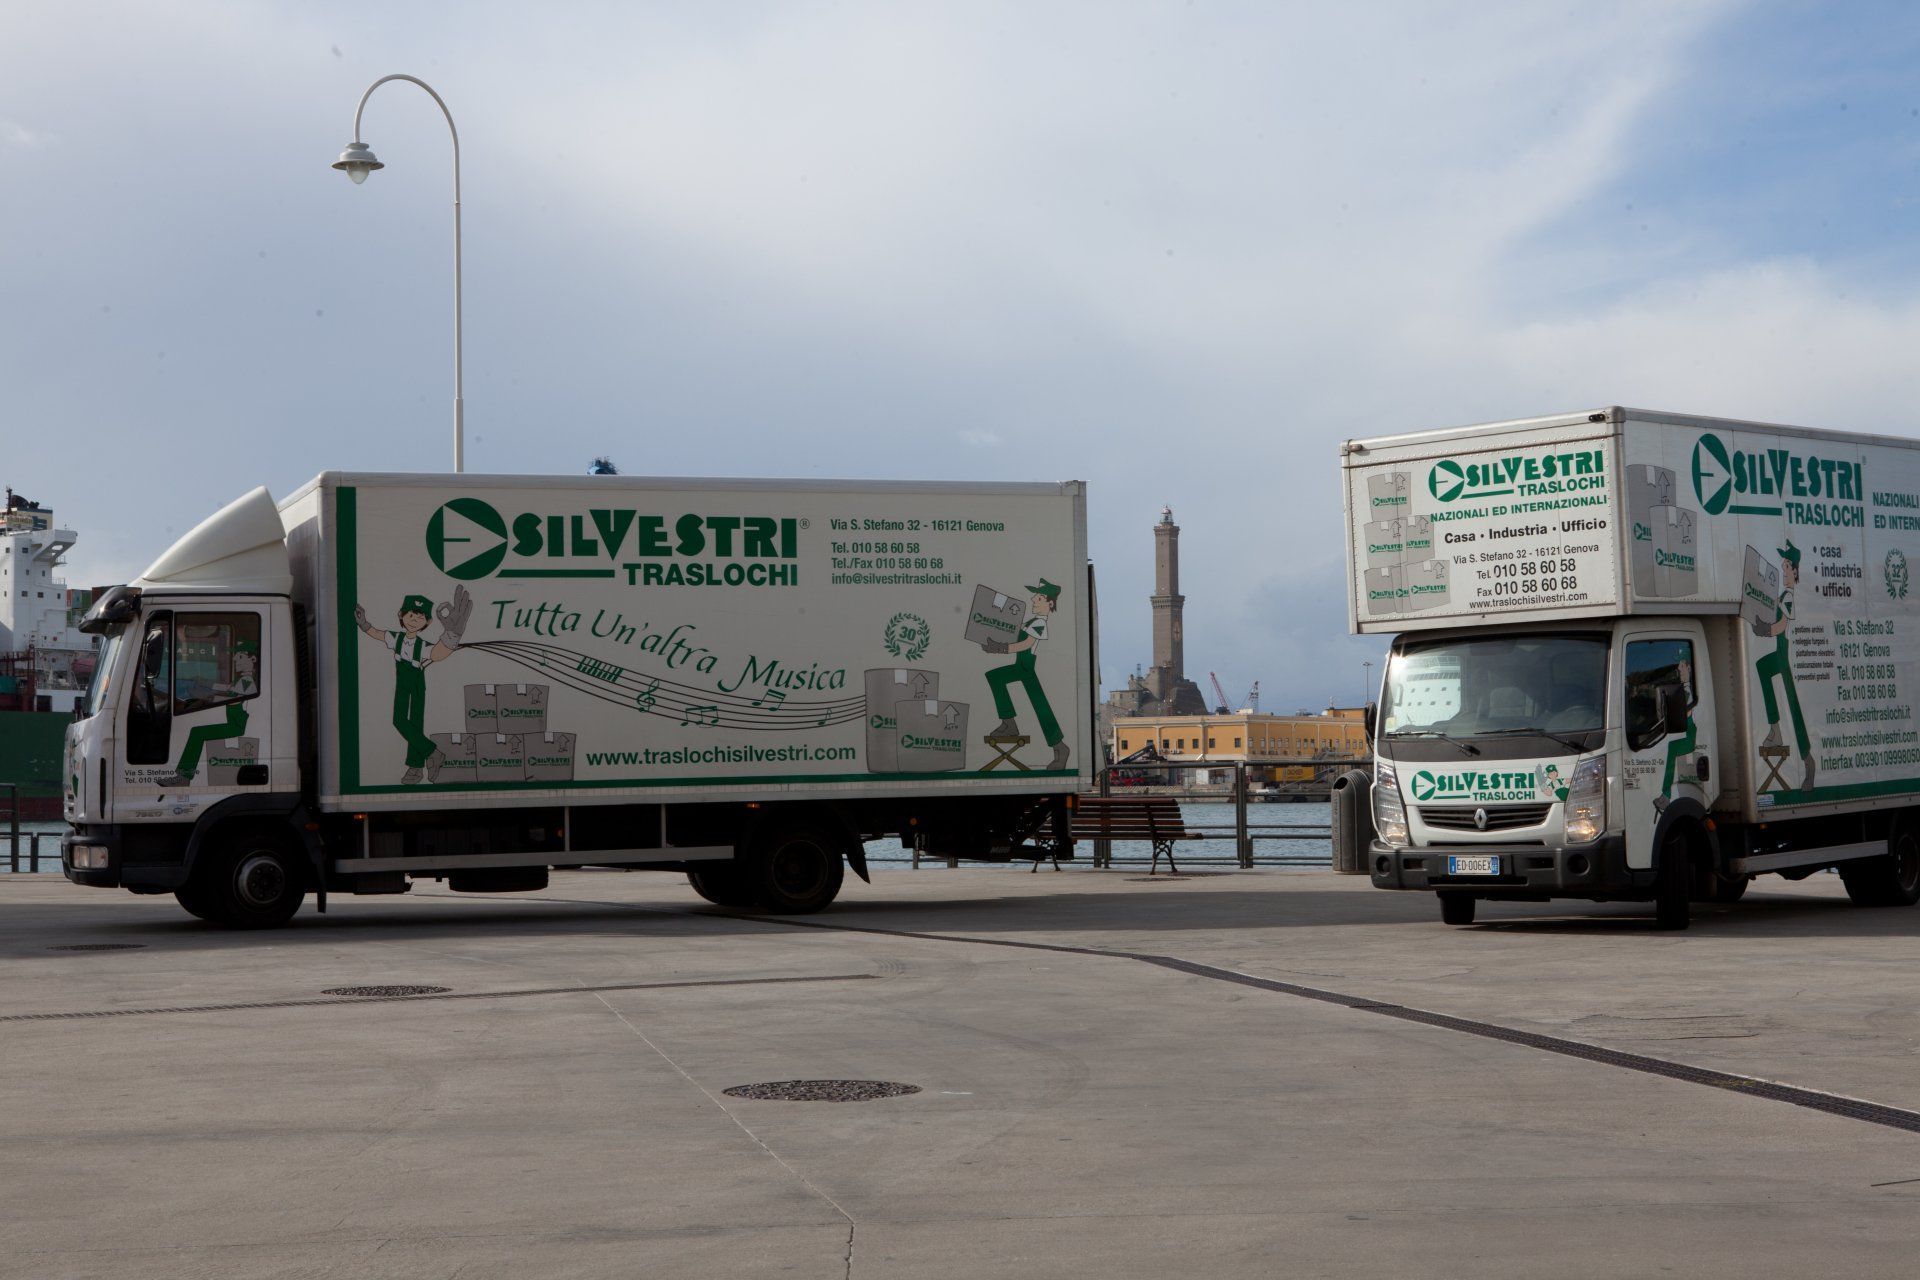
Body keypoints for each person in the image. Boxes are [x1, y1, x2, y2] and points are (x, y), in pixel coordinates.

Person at [357, 586, 472, 784]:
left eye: (420, 618)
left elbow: (438, 654)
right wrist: (364, 624)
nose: (414, 620)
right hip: (402, 683)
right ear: (401, 615)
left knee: (415, 724)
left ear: (427, 622)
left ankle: (415, 768)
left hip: (417, 682)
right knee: (399, 720)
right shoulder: (396, 638)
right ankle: (432, 752)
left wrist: (453, 635)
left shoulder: (423, 646)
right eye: (411, 615)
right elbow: (377, 633)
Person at [981, 578, 1070, 770]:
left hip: (1025, 666)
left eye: (1038, 598)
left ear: (1050, 603)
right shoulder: (1031, 621)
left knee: (995, 677)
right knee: (1041, 707)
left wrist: (1000, 648)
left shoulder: (1040, 623)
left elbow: (1026, 644)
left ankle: (1009, 723)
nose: (1033, 601)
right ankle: (1059, 746)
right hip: (1023, 666)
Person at [1755, 541, 1813, 791]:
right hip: (1780, 653)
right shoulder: (1782, 595)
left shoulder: (1789, 596)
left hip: (1785, 654)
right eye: (1783, 566)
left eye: (1787, 566)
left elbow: (1781, 627)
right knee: (1761, 668)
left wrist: (1765, 629)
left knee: (1795, 709)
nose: (1784, 569)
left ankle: (1808, 762)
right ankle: (1776, 730)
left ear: (1796, 571)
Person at [165, 638, 260, 786]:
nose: (235, 659)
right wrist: (204, 684)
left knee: (198, 733)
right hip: (233, 721)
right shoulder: (242, 680)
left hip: (236, 725)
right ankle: (183, 777)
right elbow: (227, 689)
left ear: (253, 659)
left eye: (240, 656)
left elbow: (234, 699)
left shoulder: (247, 682)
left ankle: (184, 777)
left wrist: (209, 698)